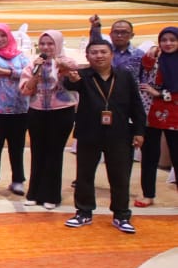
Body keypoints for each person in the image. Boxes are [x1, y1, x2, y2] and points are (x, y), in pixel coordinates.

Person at [64, 40, 145, 233]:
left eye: (103, 52)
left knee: (120, 176)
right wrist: (71, 79)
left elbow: (136, 105)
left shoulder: (125, 76)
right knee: (84, 175)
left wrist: (139, 131)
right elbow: (69, 84)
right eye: (94, 52)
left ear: (111, 55)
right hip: (89, 133)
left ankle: (121, 215)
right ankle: (83, 212)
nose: (99, 56)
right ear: (87, 56)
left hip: (120, 133)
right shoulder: (82, 75)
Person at [20, 30, 78, 211]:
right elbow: (25, 90)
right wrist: (36, 73)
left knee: (54, 153)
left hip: (61, 112)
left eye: (50, 43)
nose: (46, 47)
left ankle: (52, 195)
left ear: (58, 44)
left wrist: (59, 65)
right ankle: (34, 194)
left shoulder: (66, 62)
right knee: (37, 151)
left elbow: (75, 77)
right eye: (43, 44)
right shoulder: (33, 65)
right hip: (37, 111)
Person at [0, 24, 30, 195]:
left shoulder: (20, 56)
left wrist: (6, 71)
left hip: (18, 108)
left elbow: (28, 73)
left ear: (9, 37)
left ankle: (17, 180)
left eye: (3, 35)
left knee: (17, 146)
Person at [137, 27, 178, 208]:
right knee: (149, 157)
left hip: (175, 116)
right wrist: (152, 50)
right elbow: (144, 70)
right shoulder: (155, 58)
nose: (168, 43)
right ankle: (148, 195)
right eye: (164, 40)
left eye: (173, 40)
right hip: (151, 114)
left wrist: (160, 94)